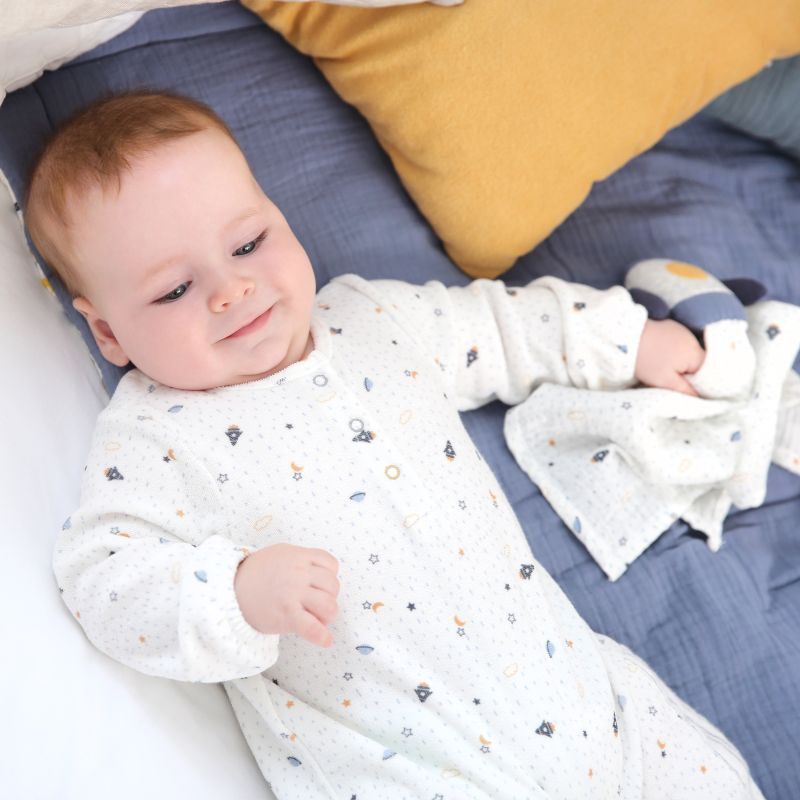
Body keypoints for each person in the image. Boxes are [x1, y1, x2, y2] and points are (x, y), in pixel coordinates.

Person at [26, 90, 761, 799]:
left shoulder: (370, 317)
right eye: (174, 291)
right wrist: (234, 593)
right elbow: (102, 577)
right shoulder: (155, 436)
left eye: (249, 244)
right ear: (108, 332)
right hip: (410, 767)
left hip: (592, 707)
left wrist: (630, 340)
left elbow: (502, 327)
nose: (231, 288)